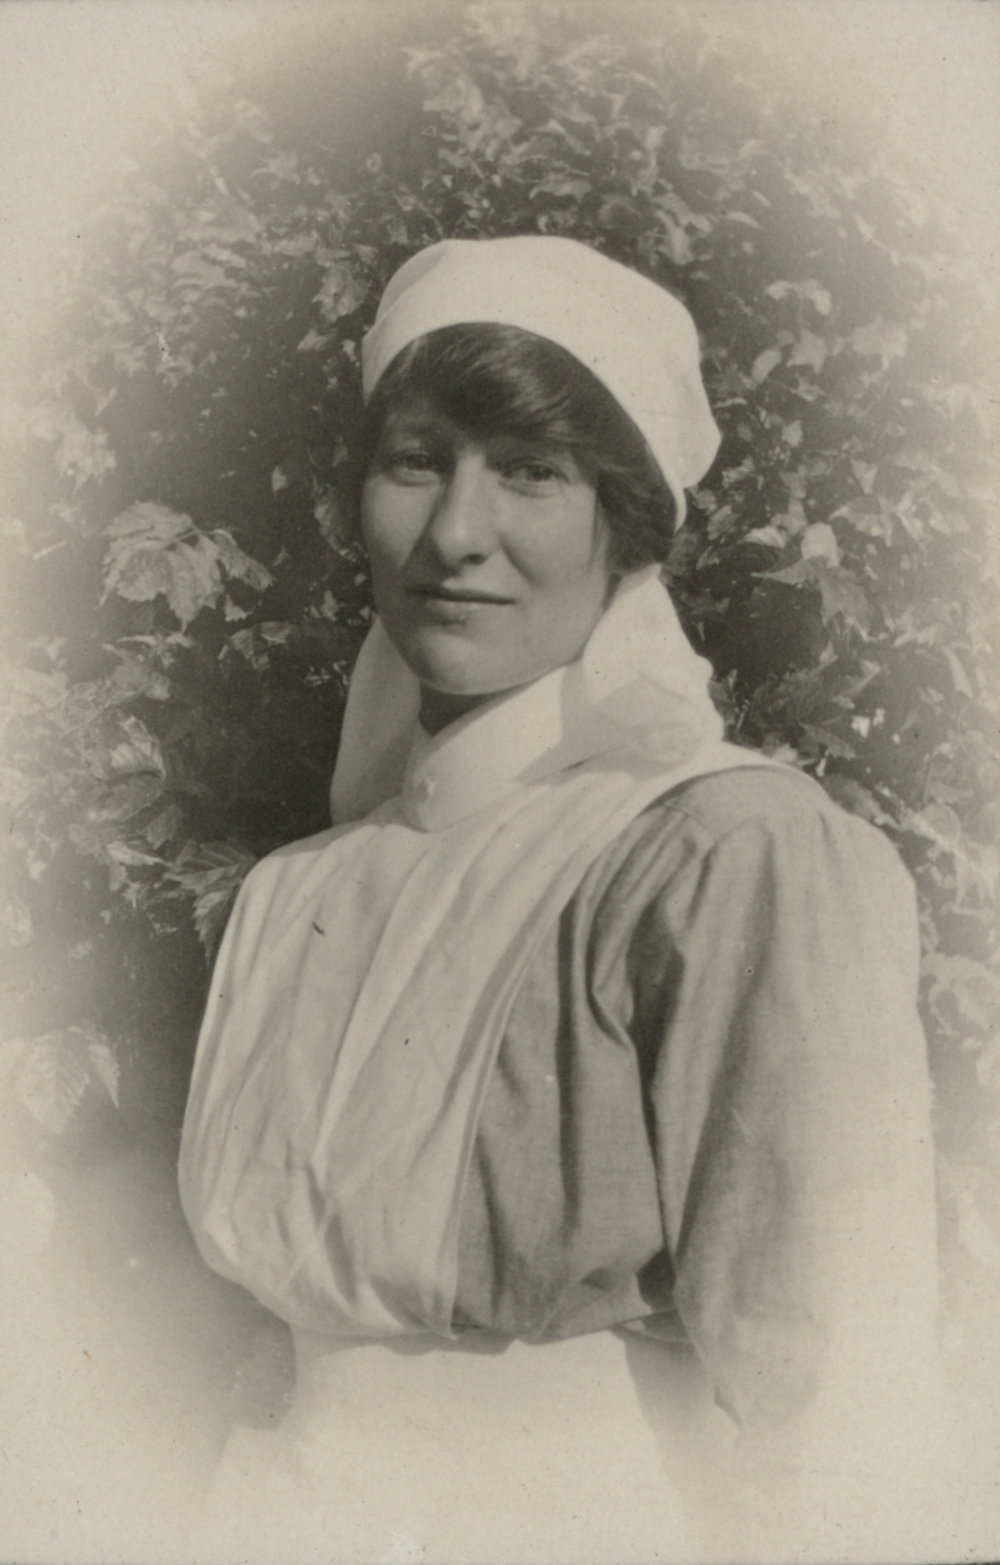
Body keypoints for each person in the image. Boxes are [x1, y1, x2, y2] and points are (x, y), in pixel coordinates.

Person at [178, 236, 941, 1564]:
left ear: (627, 525)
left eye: (531, 471)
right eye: (416, 461)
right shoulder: (293, 894)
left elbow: (840, 1397)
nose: (457, 533)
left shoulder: (719, 849)